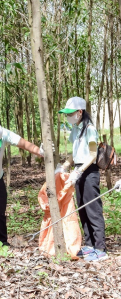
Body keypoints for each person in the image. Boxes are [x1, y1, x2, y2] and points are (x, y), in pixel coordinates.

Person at [59, 97, 107, 262]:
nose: (68, 117)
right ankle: (89, 244)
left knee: (92, 209)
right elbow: (74, 154)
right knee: (82, 208)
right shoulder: (75, 129)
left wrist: (79, 171)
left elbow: (93, 155)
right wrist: (64, 167)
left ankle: (100, 248)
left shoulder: (90, 129)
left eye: (70, 113)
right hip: (78, 171)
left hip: (89, 171)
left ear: (80, 112)